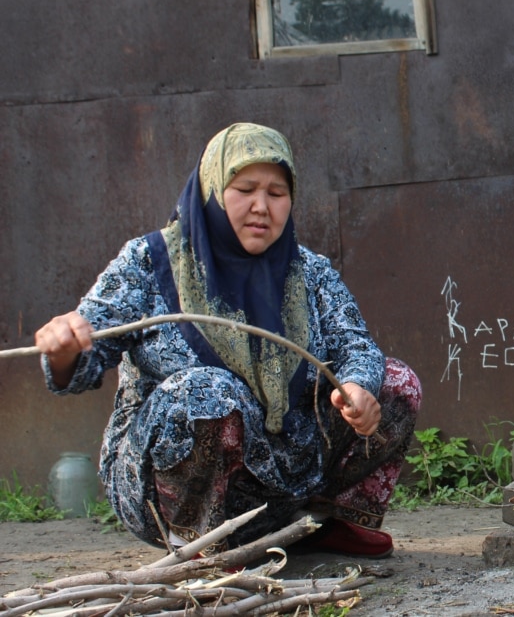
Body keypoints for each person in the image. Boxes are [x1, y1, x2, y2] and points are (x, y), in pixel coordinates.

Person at [35, 122, 421, 560]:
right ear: (211, 189)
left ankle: (322, 522)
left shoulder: (307, 271)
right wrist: (66, 345)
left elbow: (355, 345)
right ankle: (195, 545)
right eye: (245, 189)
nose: (262, 206)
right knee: (207, 392)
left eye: (277, 194)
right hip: (159, 494)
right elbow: (81, 361)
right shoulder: (151, 263)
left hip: (283, 480)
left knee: (395, 382)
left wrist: (358, 387)